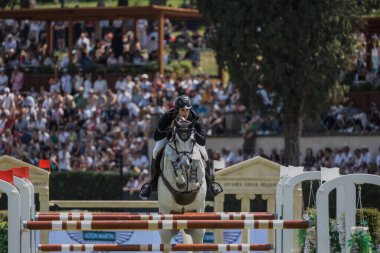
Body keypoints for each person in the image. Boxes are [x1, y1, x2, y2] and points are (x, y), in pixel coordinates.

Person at [140, 95, 223, 198]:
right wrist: (170, 129)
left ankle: (210, 184)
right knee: (155, 151)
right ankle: (152, 184)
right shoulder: (168, 116)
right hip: (170, 137)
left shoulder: (194, 117)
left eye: (187, 110)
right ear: (177, 109)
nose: (185, 113)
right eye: (182, 110)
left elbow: (203, 140)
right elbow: (157, 136)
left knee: (205, 155)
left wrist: (193, 132)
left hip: (189, 138)